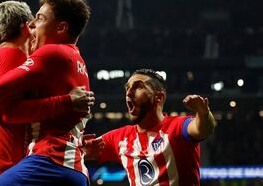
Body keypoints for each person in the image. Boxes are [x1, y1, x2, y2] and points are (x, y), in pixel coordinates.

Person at [0, 0, 92, 186]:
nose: (32, 25)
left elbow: (1, 100)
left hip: (50, 160)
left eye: (40, 18)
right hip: (74, 167)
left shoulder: (51, 53)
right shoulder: (76, 59)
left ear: (61, 27)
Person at [87, 69, 216, 186]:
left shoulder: (178, 126)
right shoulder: (119, 138)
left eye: (138, 87)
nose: (129, 92)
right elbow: (79, 151)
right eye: (127, 88)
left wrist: (204, 113)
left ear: (159, 97)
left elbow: (204, 129)